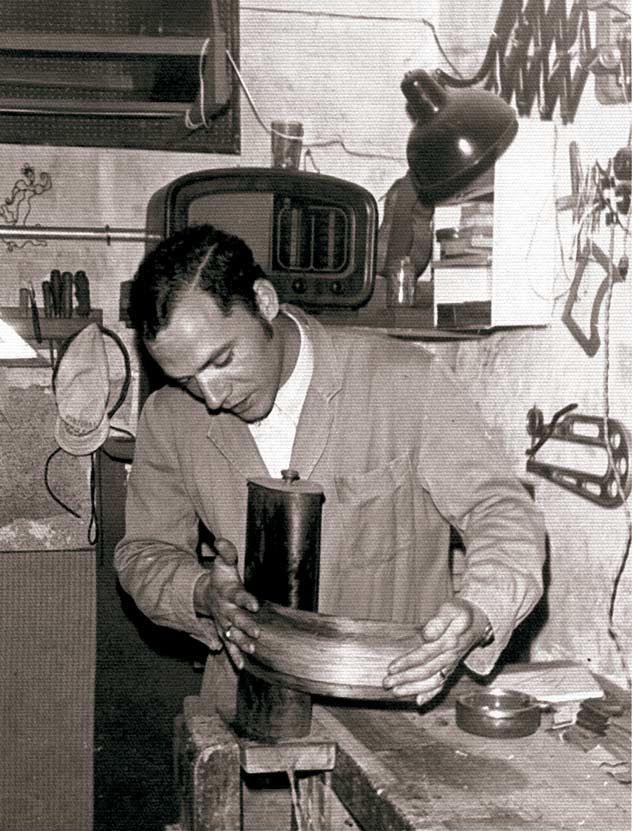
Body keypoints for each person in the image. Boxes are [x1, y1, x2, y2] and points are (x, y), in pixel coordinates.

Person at [115, 224, 546, 711]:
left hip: (394, 698)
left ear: (263, 301)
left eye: (222, 360)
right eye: (187, 379)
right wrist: (200, 594)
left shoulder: (405, 381)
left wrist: (482, 608)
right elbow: (143, 552)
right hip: (246, 706)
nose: (212, 397)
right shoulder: (170, 417)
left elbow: (500, 509)